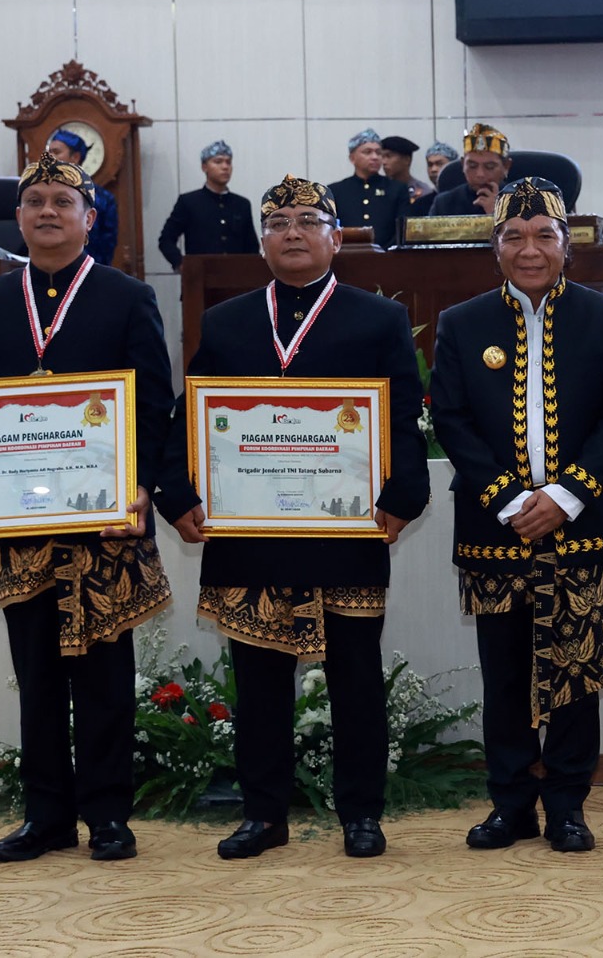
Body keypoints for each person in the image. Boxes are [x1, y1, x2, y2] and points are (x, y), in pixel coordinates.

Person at [156, 174, 430, 860]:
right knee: (259, 682)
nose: (293, 233)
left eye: (309, 220)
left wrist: (403, 499)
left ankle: (361, 814)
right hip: (253, 535)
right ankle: (263, 814)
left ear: (336, 237)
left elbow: (402, 418)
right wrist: (178, 495)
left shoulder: (377, 318)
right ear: (262, 241)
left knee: (357, 680)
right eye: (278, 221)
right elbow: (191, 417)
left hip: (346, 529)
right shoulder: (226, 321)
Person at [0, 151, 174, 863]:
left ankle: (109, 816)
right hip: (21, 522)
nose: (45, 213)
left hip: (103, 522)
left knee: (103, 678)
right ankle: (46, 817)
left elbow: (154, 404)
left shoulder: (128, 297)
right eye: (34, 202)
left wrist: (144, 488)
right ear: (20, 219)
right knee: (35, 675)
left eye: (62, 204)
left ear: (89, 220)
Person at [431, 177, 603, 854]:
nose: (529, 250)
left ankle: (569, 807)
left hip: (586, 526)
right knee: (507, 675)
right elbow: (451, 420)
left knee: (578, 675)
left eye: (544, 236)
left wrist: (567, 495)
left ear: (567, 245)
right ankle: (512, 804)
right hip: (498, 532)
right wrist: (513, 499)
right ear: (495, 246)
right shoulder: (462, 323)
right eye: (514, 237)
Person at [156, 140, 259, 272]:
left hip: (237, 281)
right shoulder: (188, 202)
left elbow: (252, 247)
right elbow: (166, 239)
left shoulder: (242, 204)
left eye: (228, 162)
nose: (225, 166)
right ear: (204, 167)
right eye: (218, 161)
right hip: (199, 281)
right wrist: (181, 264)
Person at [45, 128, 121, 266]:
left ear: (75, 158)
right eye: (48, 152)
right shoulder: (40, 195)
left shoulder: (102, 199)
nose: (49, 158)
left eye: (56, 152)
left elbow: (107, 246)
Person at [328, 128, 411, 247]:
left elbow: (402, 229)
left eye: (378, 152)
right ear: (352, 158)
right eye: (367, 152)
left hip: (387, 258)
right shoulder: (336, 191)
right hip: (346, 255)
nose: (375, 157)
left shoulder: (397, 189)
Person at [428, 123, 515, 217]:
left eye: (489, 167)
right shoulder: (444, 204)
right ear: (463, 165)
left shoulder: (524, 202)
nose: (480, 174)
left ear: (506, 166)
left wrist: (498, 215)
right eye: (472, 166)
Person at [380, 135, 434, 206]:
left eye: (389, 156)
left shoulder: (422, 192)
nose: (384, 162)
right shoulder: (379, 188)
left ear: (407, 160)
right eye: (382, 157)